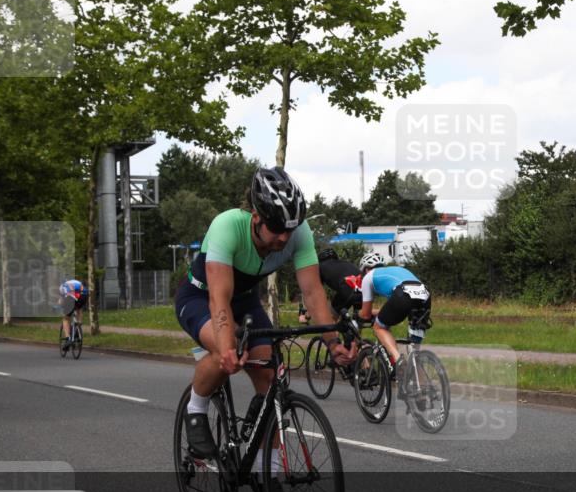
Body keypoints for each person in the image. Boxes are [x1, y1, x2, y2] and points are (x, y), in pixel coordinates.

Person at [174, 166, 355, 459]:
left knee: (270, 379)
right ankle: (196, 410)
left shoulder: (298, 232)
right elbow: (219, 298)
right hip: (200, 295)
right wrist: (227, 345)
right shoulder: (227, 225)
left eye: (290, 229)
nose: (284, 238)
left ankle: (263, 473)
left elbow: (312, 292)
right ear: (256, 218)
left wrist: (332, 342)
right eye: (277, 229)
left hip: (245, 301)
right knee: (225, 350)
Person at [356, 253, 431, 380]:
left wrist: (356, 314)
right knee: (414, 353)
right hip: (425, 295)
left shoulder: (368, 277)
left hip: (403, 295)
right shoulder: (396, 270)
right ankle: (422, 391)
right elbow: (390, 307)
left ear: (366, 269)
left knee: (379, 327)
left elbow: (366, 314)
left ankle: (398, 361)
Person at [316, 248, 363, 317]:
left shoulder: (320, 267)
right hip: (362, 287)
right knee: (359, 316)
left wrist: (307, 315)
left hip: (346, 287)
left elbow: (316, 290)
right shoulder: (346, 263)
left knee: (331, 316)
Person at [58, 278, 86, 348]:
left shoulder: (63, 286)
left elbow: (61, 301)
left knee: (65, 318)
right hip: (84, 294)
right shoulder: (77, 282)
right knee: (79, 308)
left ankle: (68, 339)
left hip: (71, 296)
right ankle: (78, 325)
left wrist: (60, 305)